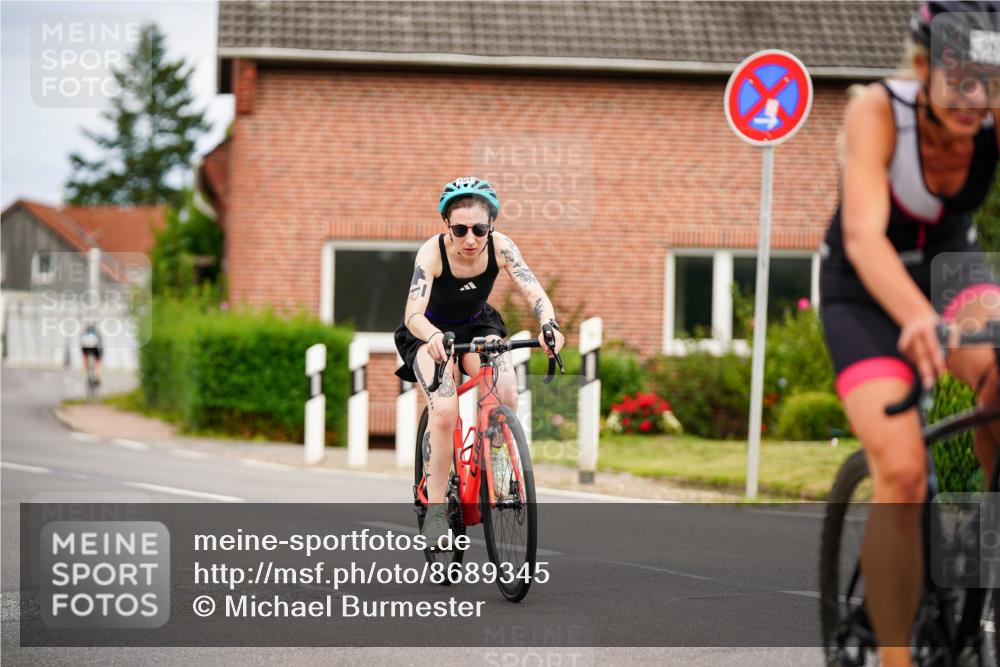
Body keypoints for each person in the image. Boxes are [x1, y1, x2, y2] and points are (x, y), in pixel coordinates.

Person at [820, 3, 1000, 664]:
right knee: (901, 467)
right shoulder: (876, 110)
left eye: (991, 78)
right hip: (863, 286)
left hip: (954, 270)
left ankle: (987, 556)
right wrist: (917, 314)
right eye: (961, 74)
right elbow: (866, 236)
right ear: (923, 66)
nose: (975, 95)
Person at [395, 176, 565, 549]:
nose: (470, 239)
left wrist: (549, 325)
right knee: (445, 411)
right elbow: (412, 314)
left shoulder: (502, 248)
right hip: (429, 332)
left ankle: (500, 465)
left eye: (479, 229)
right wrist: (434, 337)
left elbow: (535, 292)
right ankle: (437, 509)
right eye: (460, 229)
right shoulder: (431, 253)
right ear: (446, 226)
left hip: (476, 325)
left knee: (504, 386)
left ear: (491, 226)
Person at [80, 322, 102, 386]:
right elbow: (101, 342)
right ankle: (97, 377)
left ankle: (86, 375)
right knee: (98, 361)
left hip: (85, 346)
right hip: (95, 346)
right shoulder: (96, 332)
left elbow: (81, 342)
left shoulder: (84, 331)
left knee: (84, 358)